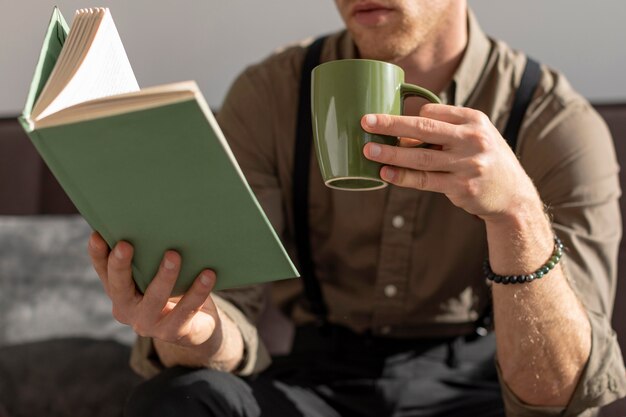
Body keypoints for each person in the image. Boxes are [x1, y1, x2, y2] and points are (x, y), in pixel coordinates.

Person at [88, 1, 626, 416]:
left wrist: (517, 218)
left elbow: (560, 394)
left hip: (477, 385)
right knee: (182, 398)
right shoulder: (270, 95)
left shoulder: (554, 122)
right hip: (317, 381)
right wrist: (192, 328)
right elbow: (228, 316)